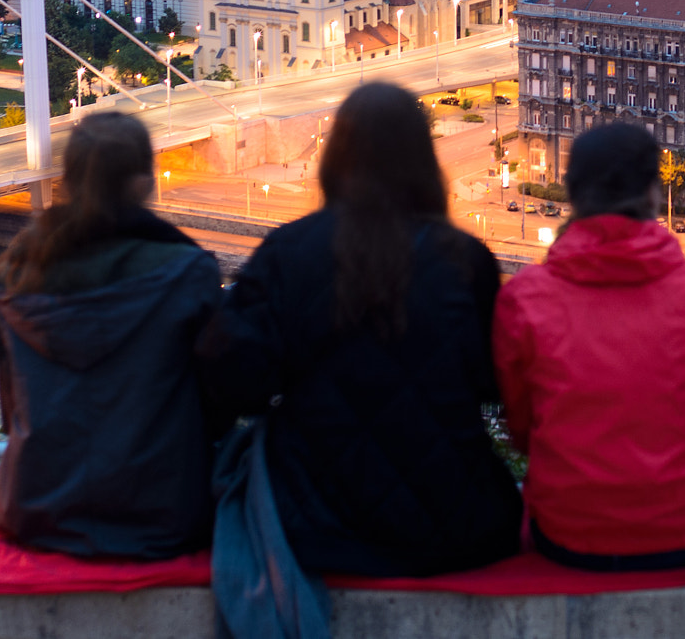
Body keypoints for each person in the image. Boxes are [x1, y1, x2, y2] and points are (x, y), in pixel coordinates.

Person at [195, 82, 521, 576]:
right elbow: (491, 382)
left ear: (335, 157)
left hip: (312, 521)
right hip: (454, 522)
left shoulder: (288, 252)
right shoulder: (465, 259)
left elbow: (233, 378)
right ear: (423, 159)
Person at [494, 121, 685, 570]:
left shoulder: (523, 299)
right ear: (655, 194)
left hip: (566, 533)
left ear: (572, 194)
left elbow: (521, 432)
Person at [0, 112, 223, 558]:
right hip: (163, 515)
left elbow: (11, 406)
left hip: (34, 510)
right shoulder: (188, 273)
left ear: (68, 180)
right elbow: (220, 400)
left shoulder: (12, 273)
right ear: (144, 183)